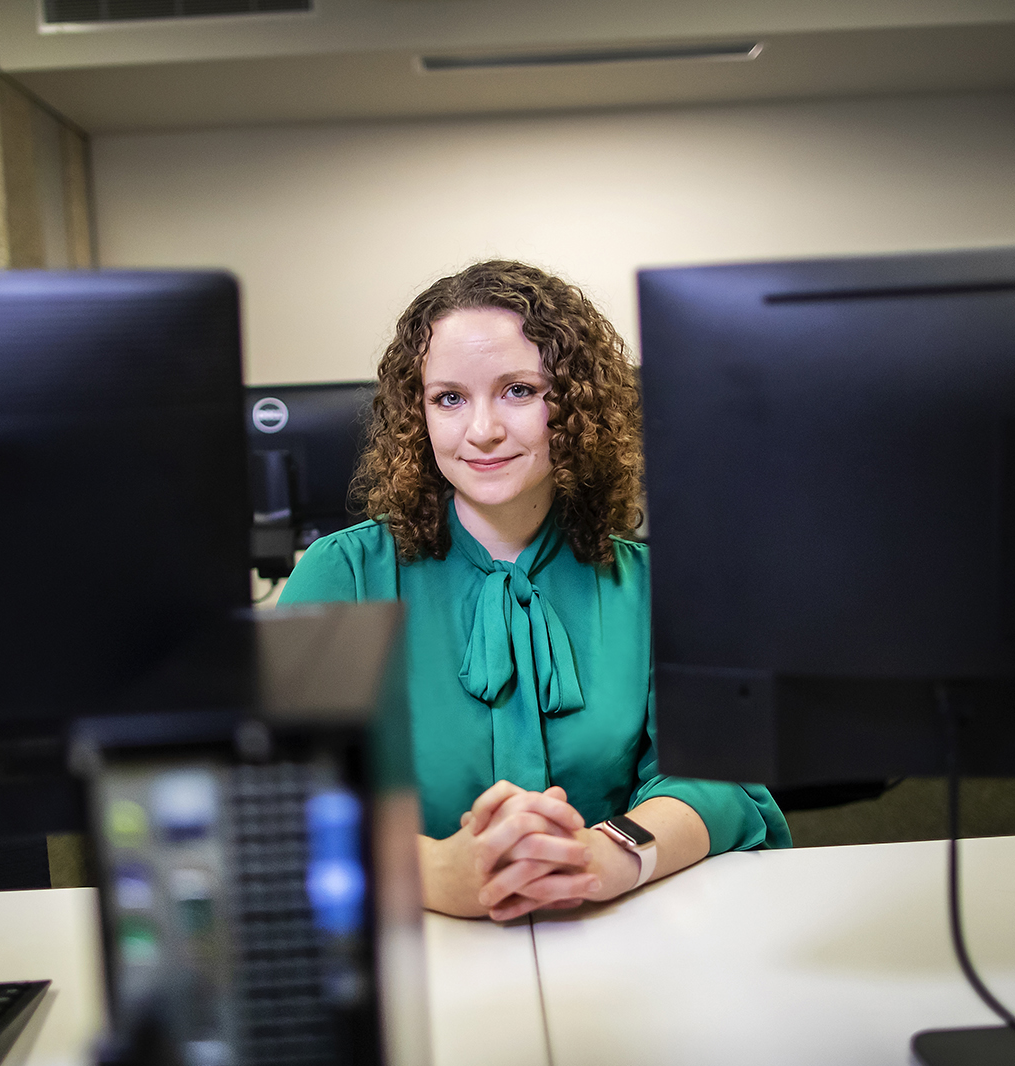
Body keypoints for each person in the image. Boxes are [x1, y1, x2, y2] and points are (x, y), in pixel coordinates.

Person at [279, 261, 789, 920]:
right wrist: (433, 870)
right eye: (449, 398)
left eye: (519, 390)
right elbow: (280, 798)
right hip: (416, 947)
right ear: (418, 414)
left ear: (573, 405)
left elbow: (717, 782)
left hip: (611, 936)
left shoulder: (654, 586)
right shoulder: (341, 573)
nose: (482, 429)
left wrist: (608, 853)